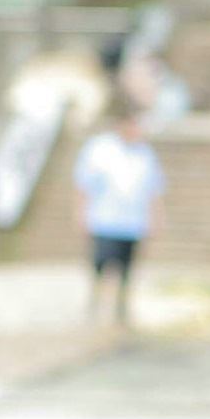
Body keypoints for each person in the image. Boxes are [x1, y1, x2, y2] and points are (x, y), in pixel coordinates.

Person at [72, 92, 166, 325]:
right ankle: (94, 307)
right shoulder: (100, 149)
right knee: (101, 265)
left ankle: (120, 311)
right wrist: (80, 213)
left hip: (133, 221)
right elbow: (84, 184)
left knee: (127, 269)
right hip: (105, 219)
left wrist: (157, 218)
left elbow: (153, 190)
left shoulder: (145, 154)